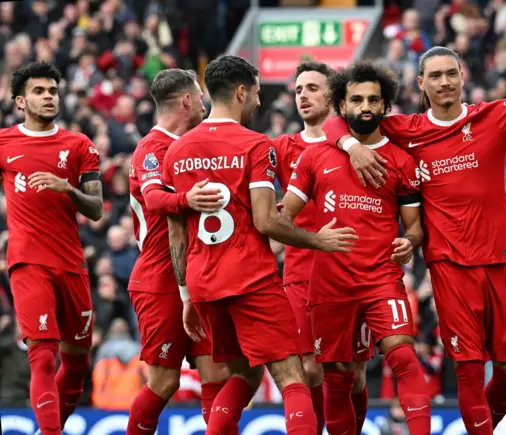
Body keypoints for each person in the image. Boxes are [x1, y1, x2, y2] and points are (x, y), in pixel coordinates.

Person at [322, 17, 506, 434]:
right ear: (420, 83)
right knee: (468, 369)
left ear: (463, 77)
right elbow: (337, 120)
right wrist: (352, 146)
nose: (445, 82)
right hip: (449, 264)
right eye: (435, 76)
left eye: (451, 74)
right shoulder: (405, 130)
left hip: (501, 258)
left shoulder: (496, 117)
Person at [162, 55, 358, 434]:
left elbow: (176, 233)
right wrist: (318, 239)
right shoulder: (255, 145)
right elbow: (266, 221)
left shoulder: (177, 151)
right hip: (249, 277)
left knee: (243, 376)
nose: (258, 101)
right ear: (241, 92)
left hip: (203, 282)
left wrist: (186, 293)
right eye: (255, 93)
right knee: (291, 376)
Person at [282, 61, 431, 434]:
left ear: (385, 106)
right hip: (330, 284)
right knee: (336, 377)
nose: (366, 106)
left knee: (403, 357)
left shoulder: (402, 161)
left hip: (380, 278)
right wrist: (315, 240)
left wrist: (409, 242)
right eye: (357, 99)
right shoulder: (315, 157)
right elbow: (282, 216)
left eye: (374, 100)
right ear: (342, 106)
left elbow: (414, 227)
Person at [126, 68, 232, 434]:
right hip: (160, 279)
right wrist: (190, 199)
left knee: (218, 372)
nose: (205, 103)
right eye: (200, 97)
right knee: (164, 382)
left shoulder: (196, 147)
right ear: (187, 100)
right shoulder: (151, 149)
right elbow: (154, 199)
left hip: (201, 274)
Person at [1, 62, 103, 435]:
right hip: (29, 263)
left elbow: (96, 210)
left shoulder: (80, 146)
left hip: (72, 264)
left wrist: (68, 189)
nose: (48, 97)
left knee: (76, 364)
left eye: (53, 91)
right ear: (20, 101)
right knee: (42, 357)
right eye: (40, 91)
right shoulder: (4, 143)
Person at [271, 61, 372, 434]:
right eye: (298, 90)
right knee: (311, 368)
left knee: (353, 371)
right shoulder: (281, 148)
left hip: (352, 270)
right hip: (301, 273)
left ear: (333, 95)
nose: (303, 96)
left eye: (313, 88)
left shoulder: (357, 144)